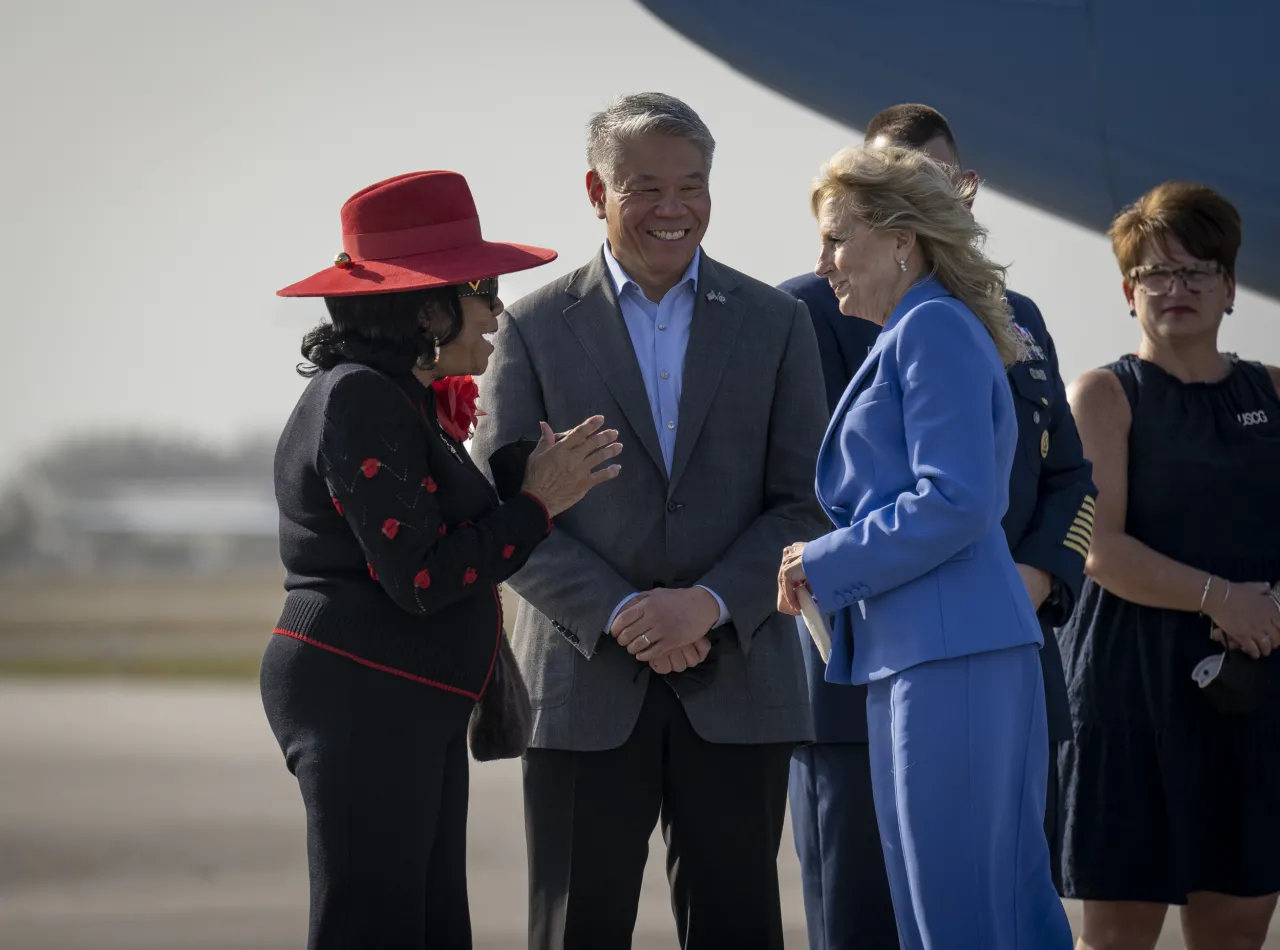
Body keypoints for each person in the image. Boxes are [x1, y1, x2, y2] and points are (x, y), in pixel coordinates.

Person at [470, 92, 830, 950]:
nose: (675, 209)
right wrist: (627, 614)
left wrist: (704, 604)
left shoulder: (778, 324)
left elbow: (808, 499)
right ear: (596, 191)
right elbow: (506, 512)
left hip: (739, 677)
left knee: (740, 927)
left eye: (693, 185)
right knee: (576, 929)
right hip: (582, 683)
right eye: (646, 187)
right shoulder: (528, 326)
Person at [261, 170, 622, 950]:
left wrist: (515, 485)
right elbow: (422, 577)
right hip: (364, 699)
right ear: (424, 306)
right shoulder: (360, 396)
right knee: (376, 924)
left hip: (399, 698)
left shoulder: (392, 394)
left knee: (424, 924)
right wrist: (535, 504)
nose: (497, 310)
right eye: (482, 289)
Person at [779, 102, 1093, 950]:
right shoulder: (925, 328)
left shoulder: (934, 329)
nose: (823, 262)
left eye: (838, 239)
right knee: (963, 912)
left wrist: (825, 559)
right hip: (927, 649)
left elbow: (956, 500)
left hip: (947, 652)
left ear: (902, 240)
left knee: (958, 916)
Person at [1059, 181, 1280, 950]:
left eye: (1198, 272)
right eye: (1156, 273)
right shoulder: (1105, 395)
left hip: (1250, 684)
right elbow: (1099, 550)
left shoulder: (1273, 391)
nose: (1177, 288)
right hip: (1133, 689)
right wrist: (1223, 599)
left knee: (1237, 924)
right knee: (1118, 936)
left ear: (1229, 289)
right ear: (1128, 291)